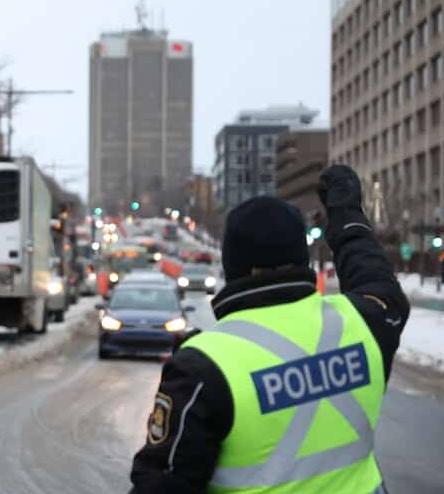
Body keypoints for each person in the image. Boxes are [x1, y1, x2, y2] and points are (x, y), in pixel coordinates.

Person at [129, 165, 410, 494]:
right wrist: (347, 218)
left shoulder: (203, 367)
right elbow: (377, 280)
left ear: (232, 265)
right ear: (301, 257)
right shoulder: (364, 323)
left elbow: (163, 485)